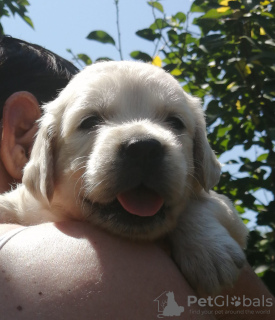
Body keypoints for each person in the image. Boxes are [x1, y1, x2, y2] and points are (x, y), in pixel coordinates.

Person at [0, 36, 274, 320]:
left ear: (199, 155)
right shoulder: (15, 212)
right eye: (91, 121)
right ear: (45, 154)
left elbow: (215, 206)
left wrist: (196, 219)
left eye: (174, 122)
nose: (143, 145)